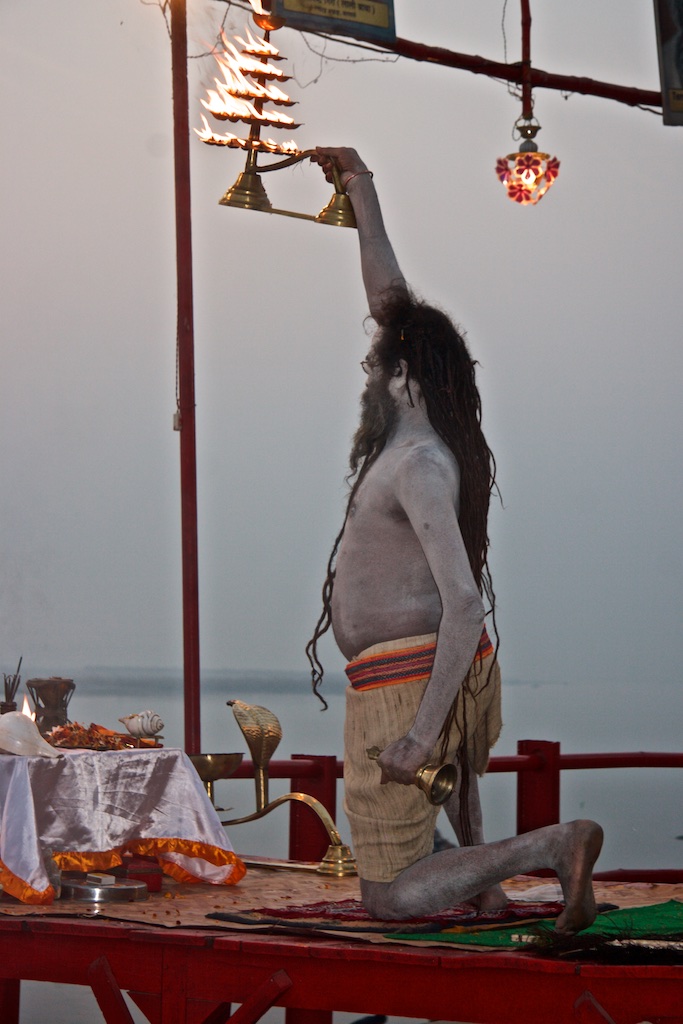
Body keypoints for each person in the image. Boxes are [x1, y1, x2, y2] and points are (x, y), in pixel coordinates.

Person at [307, 146, 603, 934]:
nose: (369, 366)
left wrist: (418, 731)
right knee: (446, 812)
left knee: (389, 898)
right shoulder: (414, 443)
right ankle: (488, 886)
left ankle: (551, 843)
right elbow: (389, 296)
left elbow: (464, 606)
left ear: (401, 374)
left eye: (378, 361)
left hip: (408, 685)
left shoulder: (419, 463)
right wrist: (359, 188)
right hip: (409, 675)